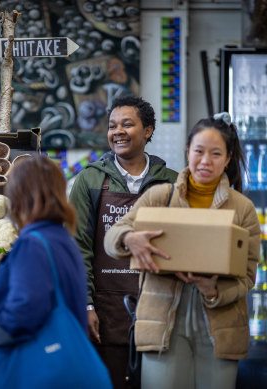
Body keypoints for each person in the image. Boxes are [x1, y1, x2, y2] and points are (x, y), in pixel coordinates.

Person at [103, 112, 261, 389]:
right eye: (199, 151)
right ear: (188, 151)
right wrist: (130, 239)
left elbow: (248, 278)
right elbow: (111, 238)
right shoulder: (159, 197)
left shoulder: (242, 208)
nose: (205, 161)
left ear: (227, 158)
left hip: (220, 331)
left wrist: (214, 291)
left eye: (215, 154)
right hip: (162, 326)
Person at [69, 95, 177, 387]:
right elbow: (78, 247)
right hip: (105, 312)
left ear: (148, 130)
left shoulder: (171, 183)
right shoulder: (88, 180)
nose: (118, 131)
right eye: (112, 125)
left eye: (127, 124)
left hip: (161, 308)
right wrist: (86, 306)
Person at [0, 155, 91, 388]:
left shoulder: (34, 243)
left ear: (19, 196)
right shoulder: (62, 239)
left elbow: (26, 305)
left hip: (27, 368)